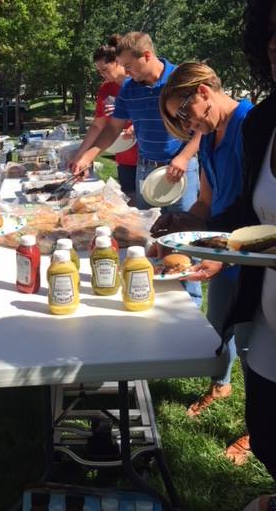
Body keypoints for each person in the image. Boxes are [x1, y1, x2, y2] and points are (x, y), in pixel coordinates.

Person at [187, 0, 276, 479]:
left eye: (186, 113)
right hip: (265, 316)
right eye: (269, 35)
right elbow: (247, 216)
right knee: (268, 437)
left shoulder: (244, 121)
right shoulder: (265, 124)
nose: (274, 48)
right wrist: (209, 246)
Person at [152, 61, 253, 462]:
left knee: (254, 346)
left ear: (203, 93)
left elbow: (257, 208)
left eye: (183, 114)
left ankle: (257, 429)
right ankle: (221, 385)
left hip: (252, 256)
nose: (187, 126)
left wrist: (223, 258)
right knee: (219, 328)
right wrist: (181, 223)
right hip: (225, 253)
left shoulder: (252, 125)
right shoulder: (209, 138)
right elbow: (208, 203)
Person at [71, 31, 202, 306]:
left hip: (180, 170)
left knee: (183, 239)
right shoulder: (130, 88)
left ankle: (189, 303)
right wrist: (89, 156)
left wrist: (186, 156)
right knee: (147, 238)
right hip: (146, 171)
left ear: (147, 55)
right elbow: (111, 130)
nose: (126, 73)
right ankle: (154, 297)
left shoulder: (180, 79)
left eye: (129, 66)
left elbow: (205, 124)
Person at [70, 37, 138, 202]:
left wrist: (137, 127)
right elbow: (97, 127)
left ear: (118, 62)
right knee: (133, 206)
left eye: (105, 69)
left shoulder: (138, 82)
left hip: (148, 158)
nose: (102, 75)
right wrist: (80, 157)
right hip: (125, 158)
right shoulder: (106, 90)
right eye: (99, 71)